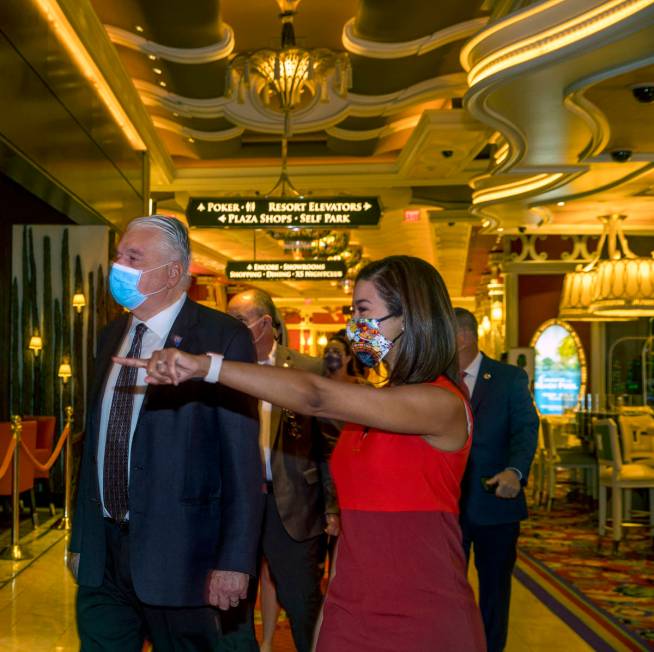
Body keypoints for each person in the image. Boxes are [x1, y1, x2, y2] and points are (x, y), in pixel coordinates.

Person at [116, 255, 486, 652]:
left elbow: (315, 396)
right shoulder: (376, 402)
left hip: (424, 610)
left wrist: (207, 367)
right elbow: (354, 525)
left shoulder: (443, 405)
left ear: (409, 316)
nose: (353, 326)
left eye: (363, 311)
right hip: (351, 609)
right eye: (352, 312)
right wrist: (330, 611)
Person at [69, 215, 263, 651]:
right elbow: (96, 443)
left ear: (173, 272)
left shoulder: (221, 337)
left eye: (132, 258)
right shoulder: (109, 337)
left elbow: (241, 461)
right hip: (105, 556)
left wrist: (235, 560)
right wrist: (83, 540)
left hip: (183, 561)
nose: (118, 266)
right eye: (119, 256)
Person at [220, 288, 339, 652]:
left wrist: (333, 507)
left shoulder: (306, 370)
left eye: (238, 321)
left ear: (264, 323)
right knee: (233, 609)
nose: (230, 328)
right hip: (237, 508)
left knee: (302, 605)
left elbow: (331, 447)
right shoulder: (223, 370)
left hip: (293, 507)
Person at [454, 307, 539, 652]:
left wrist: (515, 471)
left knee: (494, 592)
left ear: (463, 337)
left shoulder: (508, 378)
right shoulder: (435, 380)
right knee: (446, 590)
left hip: (495, 505)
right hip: (445, 508)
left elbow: (525, 429)